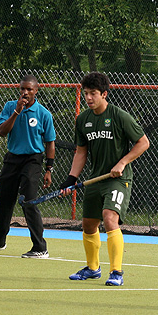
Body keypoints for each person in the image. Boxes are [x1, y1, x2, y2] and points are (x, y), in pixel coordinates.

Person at [60, 72, 149, 286]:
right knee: (89, 225)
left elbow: (143, 142)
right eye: (86, 93)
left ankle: (116, 272)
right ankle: (92, 269)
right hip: (95, 178)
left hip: (118, 179)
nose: (89, 98)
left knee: (109, 218)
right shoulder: (83, 120)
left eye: (93, 94)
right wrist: (71, 178)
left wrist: (122, 162)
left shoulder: (119, 116)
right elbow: (81, 152)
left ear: (104, 94)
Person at [0, 74, 56, 258]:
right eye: (22, 88)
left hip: (33, 160)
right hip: (12, 158)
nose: (25, 92)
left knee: (28, 201)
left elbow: (50, 143)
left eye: (29, 89)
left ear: (36, 91)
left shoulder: (44, 114)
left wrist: (49, 169)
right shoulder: (10, 107)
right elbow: (1, 132)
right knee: (3, 200)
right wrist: (16, 112)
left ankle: (40, 247)